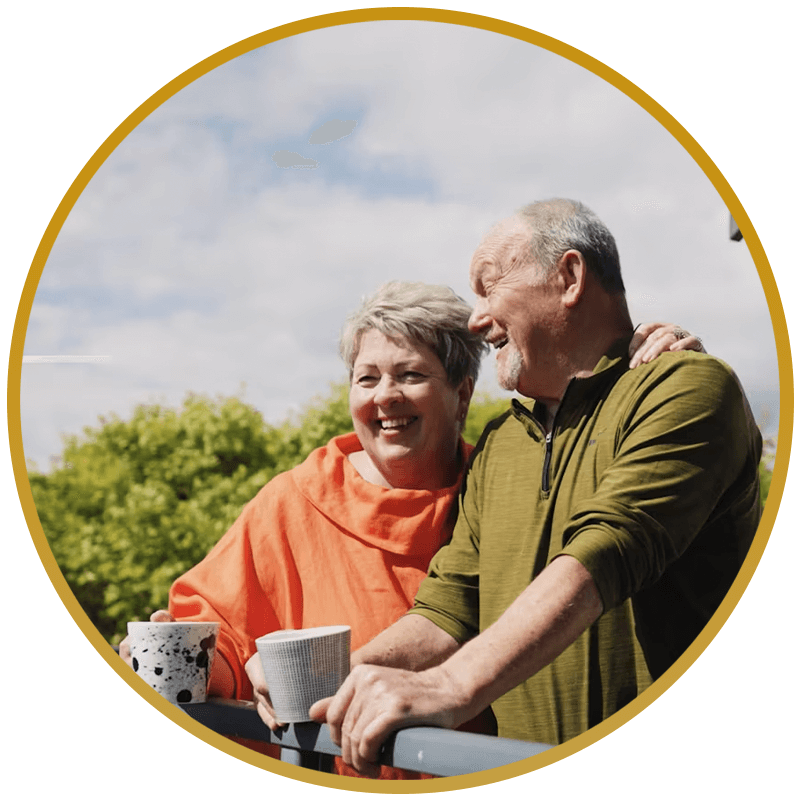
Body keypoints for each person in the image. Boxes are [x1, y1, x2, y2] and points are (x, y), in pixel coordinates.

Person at [119, 280, 703, 780]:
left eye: (410, 374)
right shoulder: (291, 500)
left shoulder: (507, 488)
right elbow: (219, 631)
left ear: (462, 392)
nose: (385, 397)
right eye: (366, 378)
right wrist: (184, 663)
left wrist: (655, 362)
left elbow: (623, 497)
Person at [310, 200, 762, 777]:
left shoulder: (685, 386)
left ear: (569, 278)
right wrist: (328, 680)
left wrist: (451, 684)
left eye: (489, 287)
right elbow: (450, 607)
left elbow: (606, 552)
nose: (476, 320)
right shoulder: (500, 443)